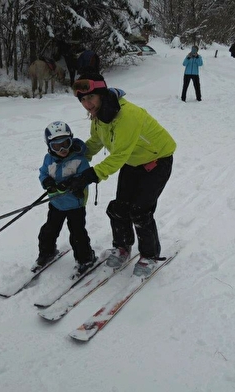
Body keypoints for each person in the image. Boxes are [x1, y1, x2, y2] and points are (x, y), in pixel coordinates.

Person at [67, 72, 176, 278]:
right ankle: (123, 247)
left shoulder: (128, 115)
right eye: (82, 100)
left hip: (157, 161)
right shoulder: (99, 116)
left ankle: (149, 255)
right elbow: (95, 142)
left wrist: (92, 174)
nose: (87, 104)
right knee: (119, 207)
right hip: (133, 161)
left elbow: (118, 155)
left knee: (140, 211)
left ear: (101, 94)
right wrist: (76, 162)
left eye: (90, 97)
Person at [34, 121, 96, 276]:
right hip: (56, 203)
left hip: (75, 205)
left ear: (71, 140)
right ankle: (47, 252)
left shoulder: (80, 160)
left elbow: (85, 177)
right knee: (49, 230)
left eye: (66, 144)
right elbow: (43, 173)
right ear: (49, 146)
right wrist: (47, 181)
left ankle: (85, 258)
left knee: (77, 234)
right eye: (56, 146)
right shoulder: (48, 159)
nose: (62, 149)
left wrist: (73, 184)